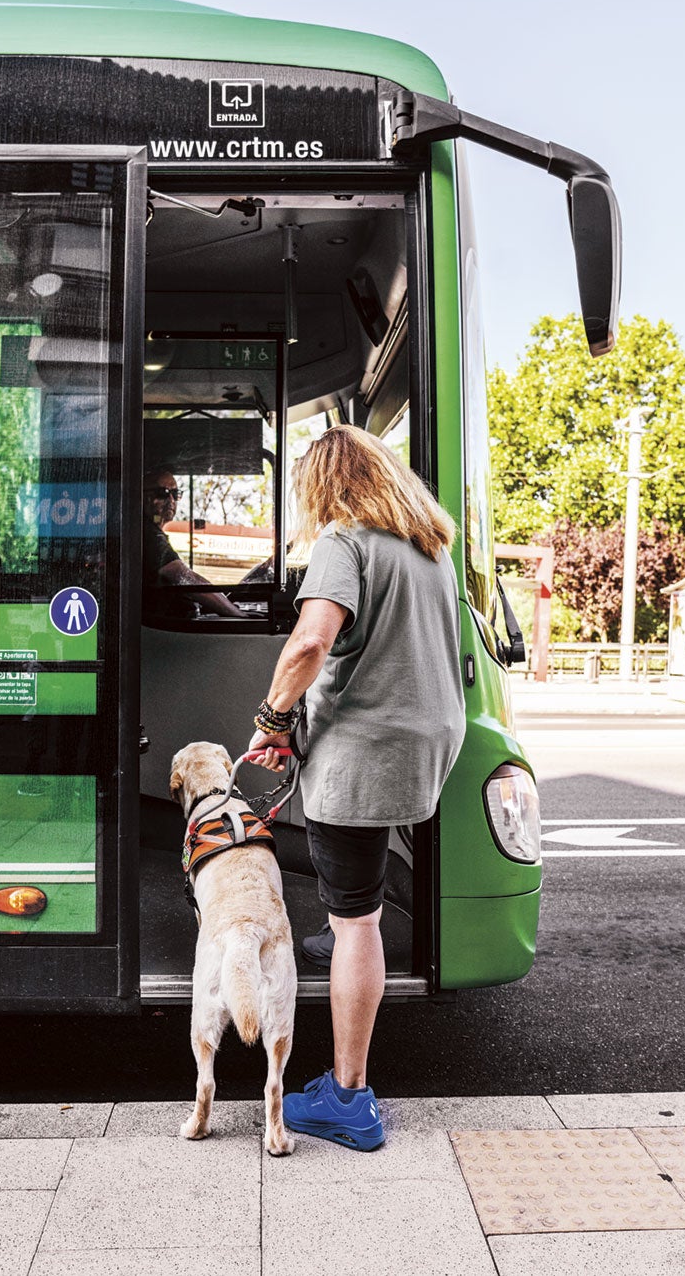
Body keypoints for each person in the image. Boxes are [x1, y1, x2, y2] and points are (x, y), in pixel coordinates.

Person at [248, 426, 465, 1150]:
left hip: (365, 752)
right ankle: (336, 936)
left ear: (324, 486)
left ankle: (348, 1096)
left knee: (357, 923)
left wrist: (271, 719)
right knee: (357, 893)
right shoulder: (429, 547)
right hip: (425, 743)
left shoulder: (344, 542)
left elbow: (311, 641)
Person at [142, 467, 243, 617]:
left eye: (175, 494)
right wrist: (236, 614)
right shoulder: (146, 533)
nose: (171, 501)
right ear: (144, 496)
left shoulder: (151, 532)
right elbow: (181, 576)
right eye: (163, 493)